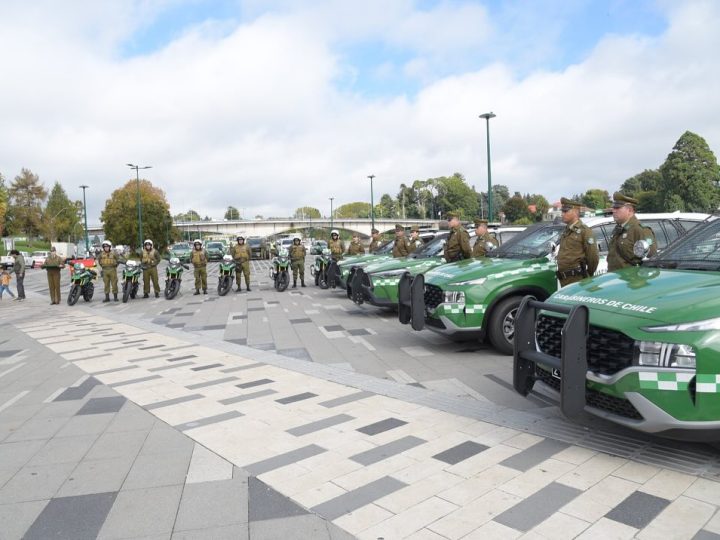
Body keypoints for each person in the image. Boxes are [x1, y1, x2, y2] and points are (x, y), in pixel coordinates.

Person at [608, 192, 657, 271]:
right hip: (615, 278)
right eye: (613, 208)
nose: (613, 211)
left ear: (629, 210)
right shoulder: (618, 229)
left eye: (617, 208)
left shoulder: (640, 230)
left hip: (631, 280)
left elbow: (650, 260)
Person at [555, 198, 599, 287]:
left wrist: (588, 274)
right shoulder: (567, 230)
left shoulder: (585, 231)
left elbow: (593, 257)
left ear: (575, 212)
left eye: (565, 211)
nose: (562, 214)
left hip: (578, 280)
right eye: (562, 211)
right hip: (565, 280)